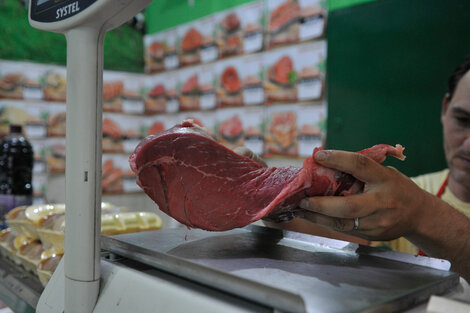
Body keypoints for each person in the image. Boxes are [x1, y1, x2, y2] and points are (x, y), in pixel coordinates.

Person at [295, 55, 470, 282]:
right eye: (463, 120)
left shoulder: (413, 200)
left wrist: (420, 214)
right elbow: (348, 242)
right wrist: (276, 203)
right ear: (445, 109)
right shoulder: (419, 188)